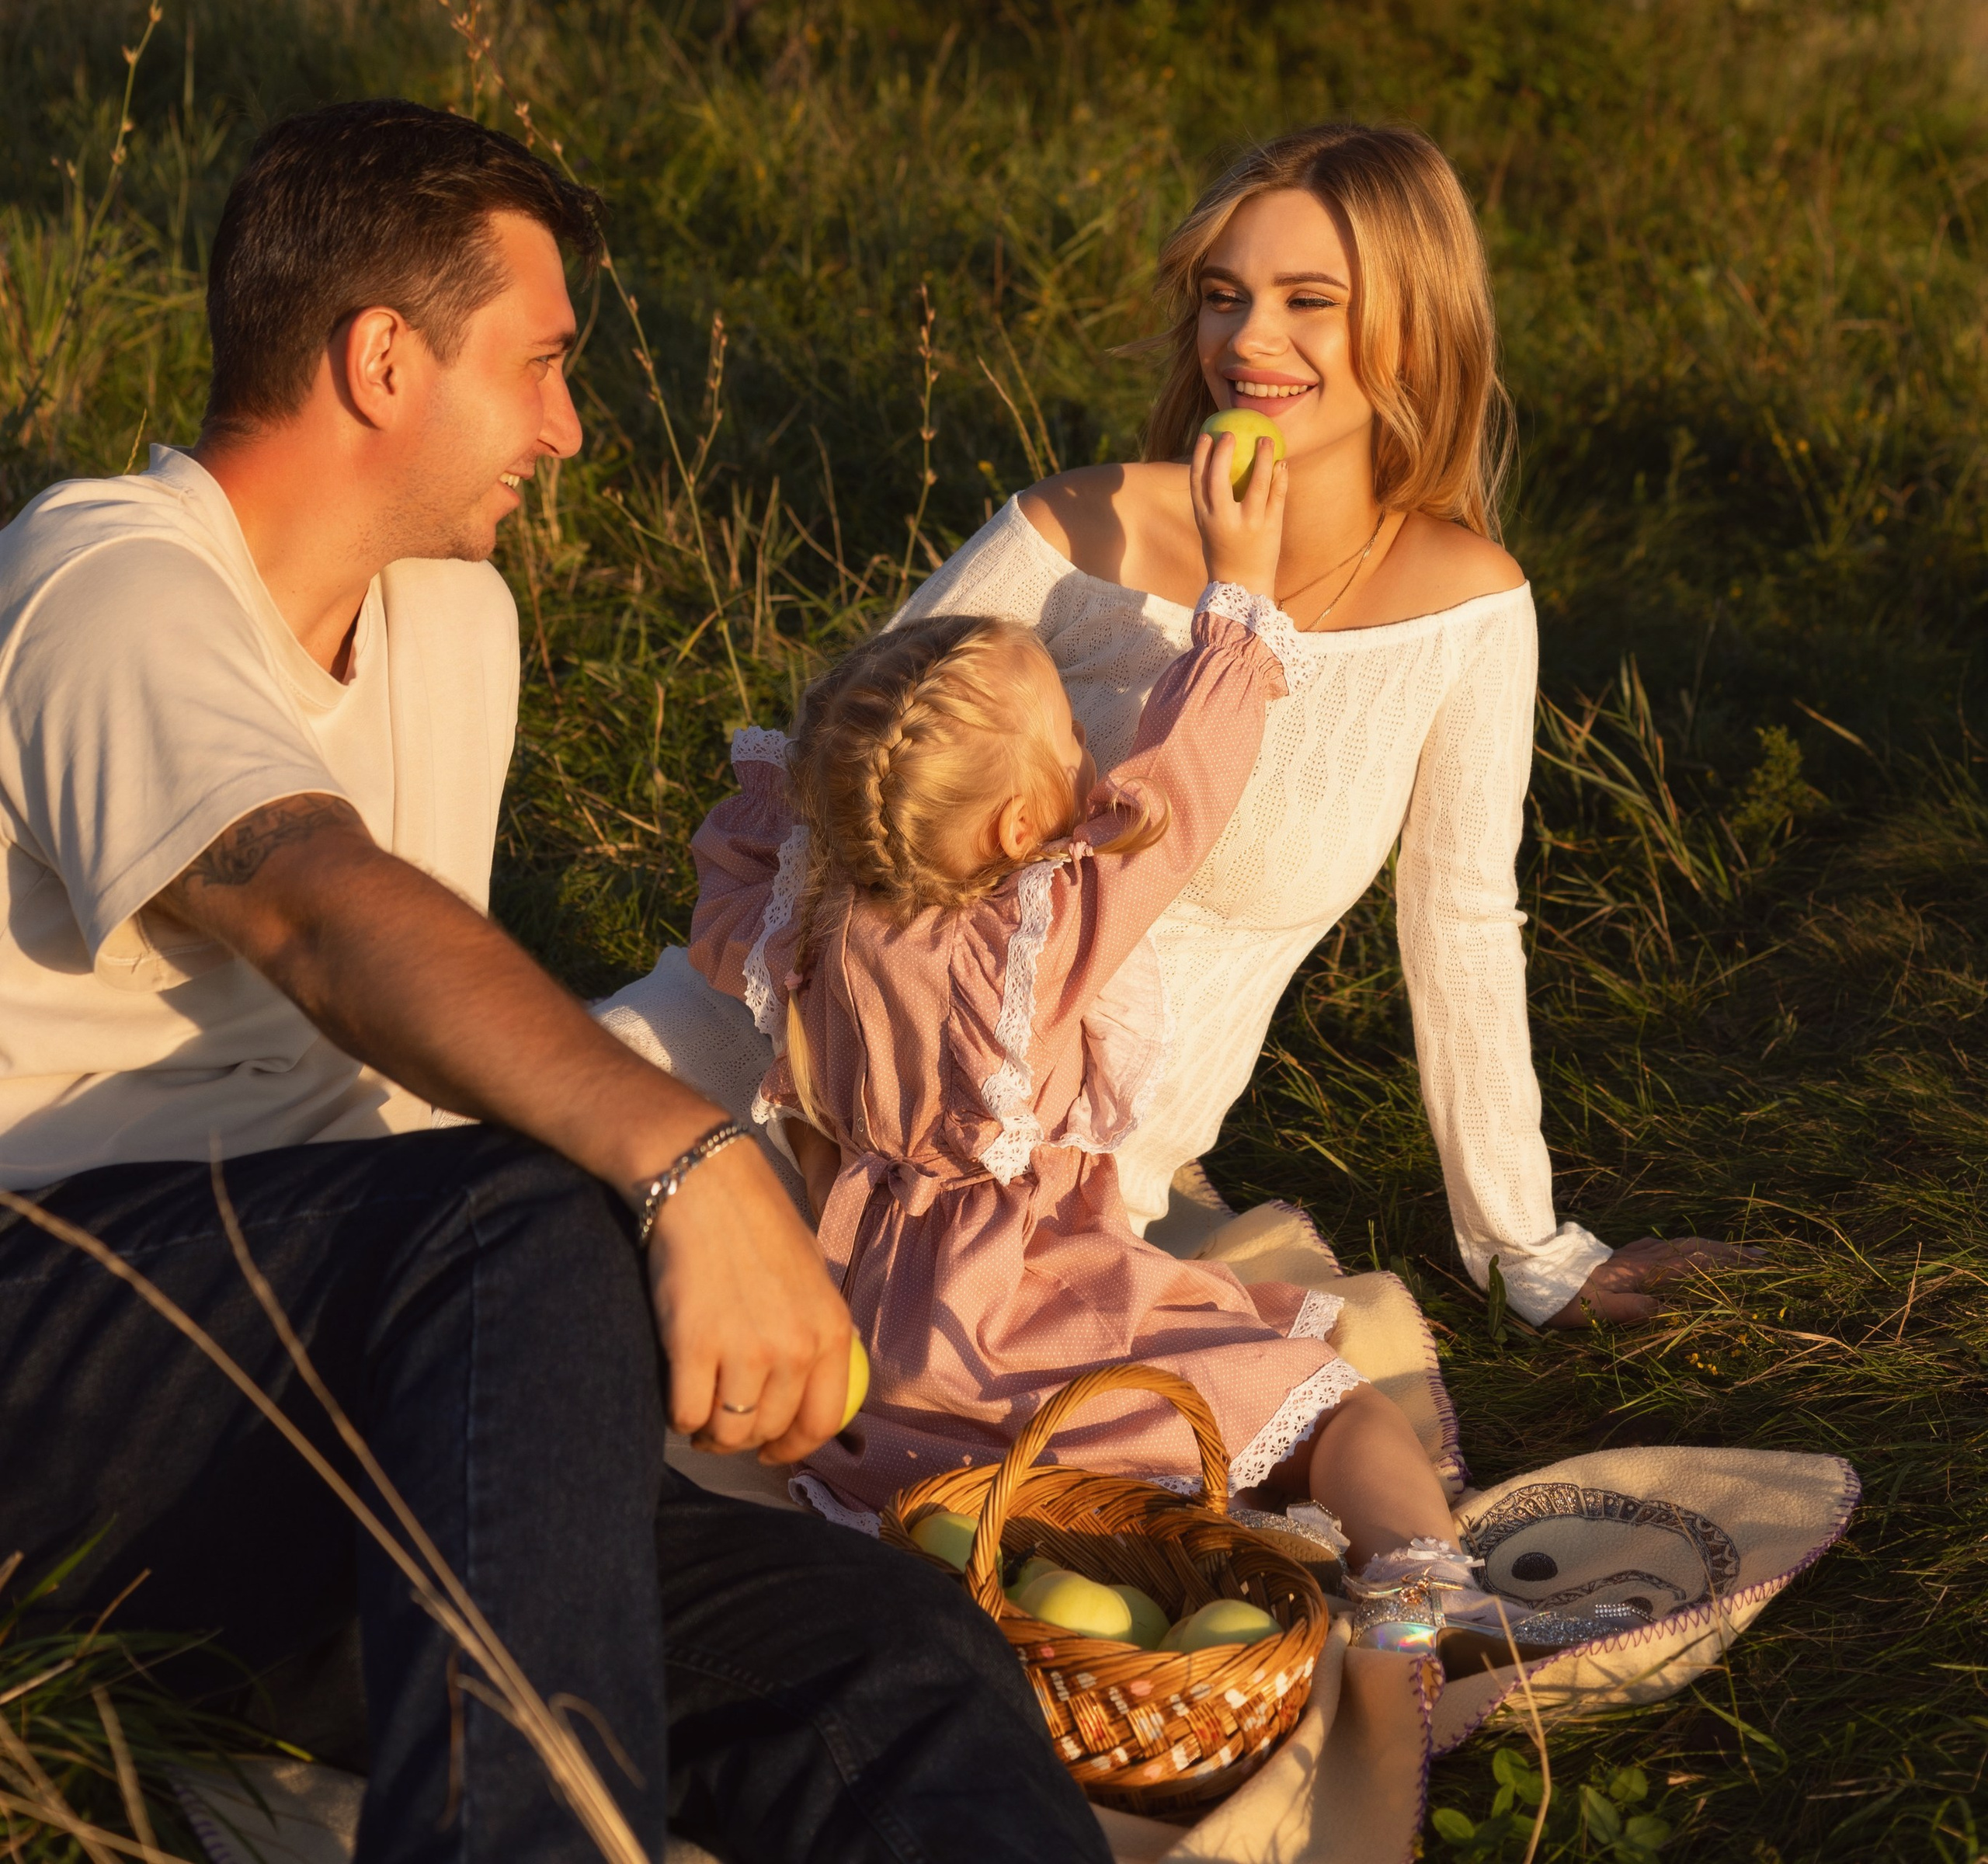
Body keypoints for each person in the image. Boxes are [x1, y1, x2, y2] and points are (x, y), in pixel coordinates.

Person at [0, 101, 1108, 1864]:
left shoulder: (458, 620)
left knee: (885, 1648)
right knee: (526, 1208)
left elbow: (419, 1062)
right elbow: (309, 906)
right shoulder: (105, 583)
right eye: (537, 366)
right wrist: (681, 1157)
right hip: (59, 1350)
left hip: (314, 1394)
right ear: (381, 359)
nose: (569, 429)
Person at [609, 120, 1743, 1331]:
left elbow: (1461, 923)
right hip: (805, 1089)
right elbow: (832, 780)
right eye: (1223, 295)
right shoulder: (1081, 533)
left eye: (1310, 300)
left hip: (1038, 1206)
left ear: (1416, 324)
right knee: (470, 1193)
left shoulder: (1464, 607)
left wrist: (1532, 1249)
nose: (1248, 339)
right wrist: (817, 1094)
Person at [684, 432, 1618, 1665]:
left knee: (1037, 1491)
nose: (1095, 761)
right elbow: (1186, 795)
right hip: (1027, 1299)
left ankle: (1036, 1566)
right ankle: (1417, 1597)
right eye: (1073, 744)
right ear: (1028, 823)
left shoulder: (800, 929)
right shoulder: (1040, 933)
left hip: (877, 1327)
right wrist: (1239, 605)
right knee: (1323, 1393)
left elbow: (738, 861)